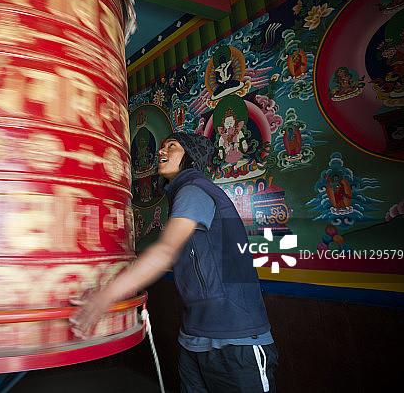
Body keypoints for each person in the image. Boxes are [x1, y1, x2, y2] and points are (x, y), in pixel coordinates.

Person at [69, 131, 278, 392]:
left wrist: (104, 296)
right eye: (162, 145)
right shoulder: (182, 194)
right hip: (194, 337)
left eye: (172, 146)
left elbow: (165, 251)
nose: (161, 151)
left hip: (236, 339)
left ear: (190, 158)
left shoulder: (195, 189)